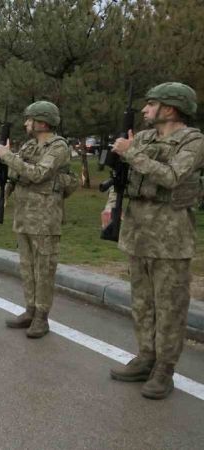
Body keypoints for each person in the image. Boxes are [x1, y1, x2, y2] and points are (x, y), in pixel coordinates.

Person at [107, 82, 204, 400]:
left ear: (170, 109)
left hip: (171, 235)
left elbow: (172, 176)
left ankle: (164, 369)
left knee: (170, 306)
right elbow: (122, 175)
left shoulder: (193, 140)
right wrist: (111, 205)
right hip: (138, 230)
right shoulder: (145, 138)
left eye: (151, 104)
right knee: (142, 302)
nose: (145, 110)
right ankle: (146, 356)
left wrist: (130, 152)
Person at [0, 101, 76, 338]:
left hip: (45, 217)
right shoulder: (30, 145)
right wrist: (3, 194)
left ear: (42, 122)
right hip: (24, 214)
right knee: (27, 268)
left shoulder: (58, 147)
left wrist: (9, 156)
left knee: (44, 270)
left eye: (29, 119)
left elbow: (38, 174)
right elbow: (15, 173)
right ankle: (30, 309)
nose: (26, 123)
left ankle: (42, 317)